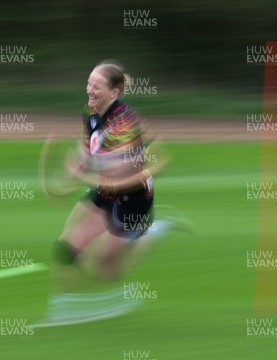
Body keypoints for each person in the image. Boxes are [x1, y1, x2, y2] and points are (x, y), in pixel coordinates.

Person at [34, 60, 181, 327]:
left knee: (105, 270)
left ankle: (153, 232)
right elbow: (87, 149)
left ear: (114, 92)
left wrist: (89, 176)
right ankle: (62, 308)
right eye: (88, 83)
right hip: (105, 189)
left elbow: (161, 161)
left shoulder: (126, 123)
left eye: (96, 86)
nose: (89, 89)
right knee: (67, 248)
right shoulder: (90, 114)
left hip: (133, 200)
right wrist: (74, 166)